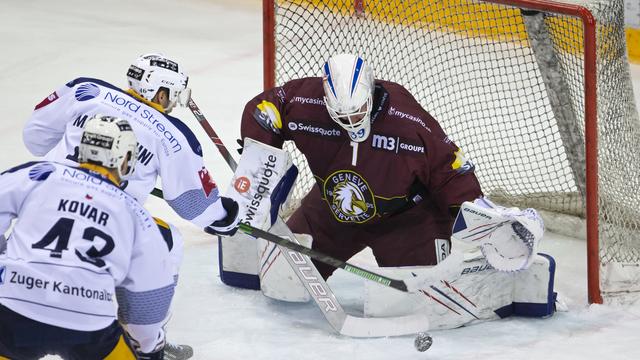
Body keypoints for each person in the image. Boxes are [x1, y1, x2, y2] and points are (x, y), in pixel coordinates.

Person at [22, 53, 239, 358]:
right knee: (166, 240)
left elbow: (35, 137)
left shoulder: (87, 89)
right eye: (173, 96)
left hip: (43, 203)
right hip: (108, 218)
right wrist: (224, 216)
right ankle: (142, 338)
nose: (173, 104)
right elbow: (195, 206)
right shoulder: (172, 134)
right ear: (161, 93)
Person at [240, 53, 485, 279]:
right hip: (331, 210)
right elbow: (265, 109)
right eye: (342, 116)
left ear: (370, 93)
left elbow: (450, 171)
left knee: (425, 299)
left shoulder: (407, 121)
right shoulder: (307, 101)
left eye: (358, 113)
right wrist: (260, 160)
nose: (351, 122)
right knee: (280, 276)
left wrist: (479, 223)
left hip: (406, 220)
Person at [0, 115, 174, 359]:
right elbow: (149, 296)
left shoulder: (40, 174)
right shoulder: (136, 213)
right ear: (125, 158)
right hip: (88, 320)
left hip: (14, 308)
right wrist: (148, 345)